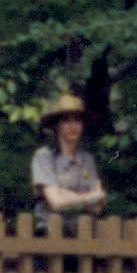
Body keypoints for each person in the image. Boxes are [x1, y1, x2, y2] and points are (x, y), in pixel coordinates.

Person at [31, 91, 107, 231]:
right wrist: (89, 197)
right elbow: (56, 202)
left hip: (83, 232)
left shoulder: (87, 159)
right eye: (66, 120)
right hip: (51, 233)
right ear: (57, 125)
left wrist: (65, 195)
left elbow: (97, 208)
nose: (73, 126)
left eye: (77, 120)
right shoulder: (44, 157)